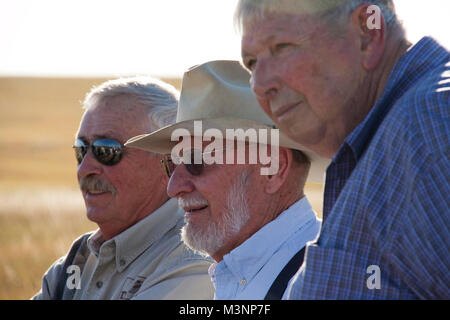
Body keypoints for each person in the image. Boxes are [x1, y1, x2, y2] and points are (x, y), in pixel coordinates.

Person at [236, 0, 450, 299]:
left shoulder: (432, 127)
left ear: (367, 33)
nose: (259, 84)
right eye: (252, 63)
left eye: (282, 47)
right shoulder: (395, 137)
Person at [126, 60, 327, 299]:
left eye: (195, 161)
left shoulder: (328, 281)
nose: (174, 187)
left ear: (273, 168)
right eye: (172, 164)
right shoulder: (239, 275)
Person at [32, 77, 214, 300]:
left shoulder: (192, 262)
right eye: (81, 149)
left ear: (169, 160)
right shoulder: (77, 260)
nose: (85, 168)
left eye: (107, 150)